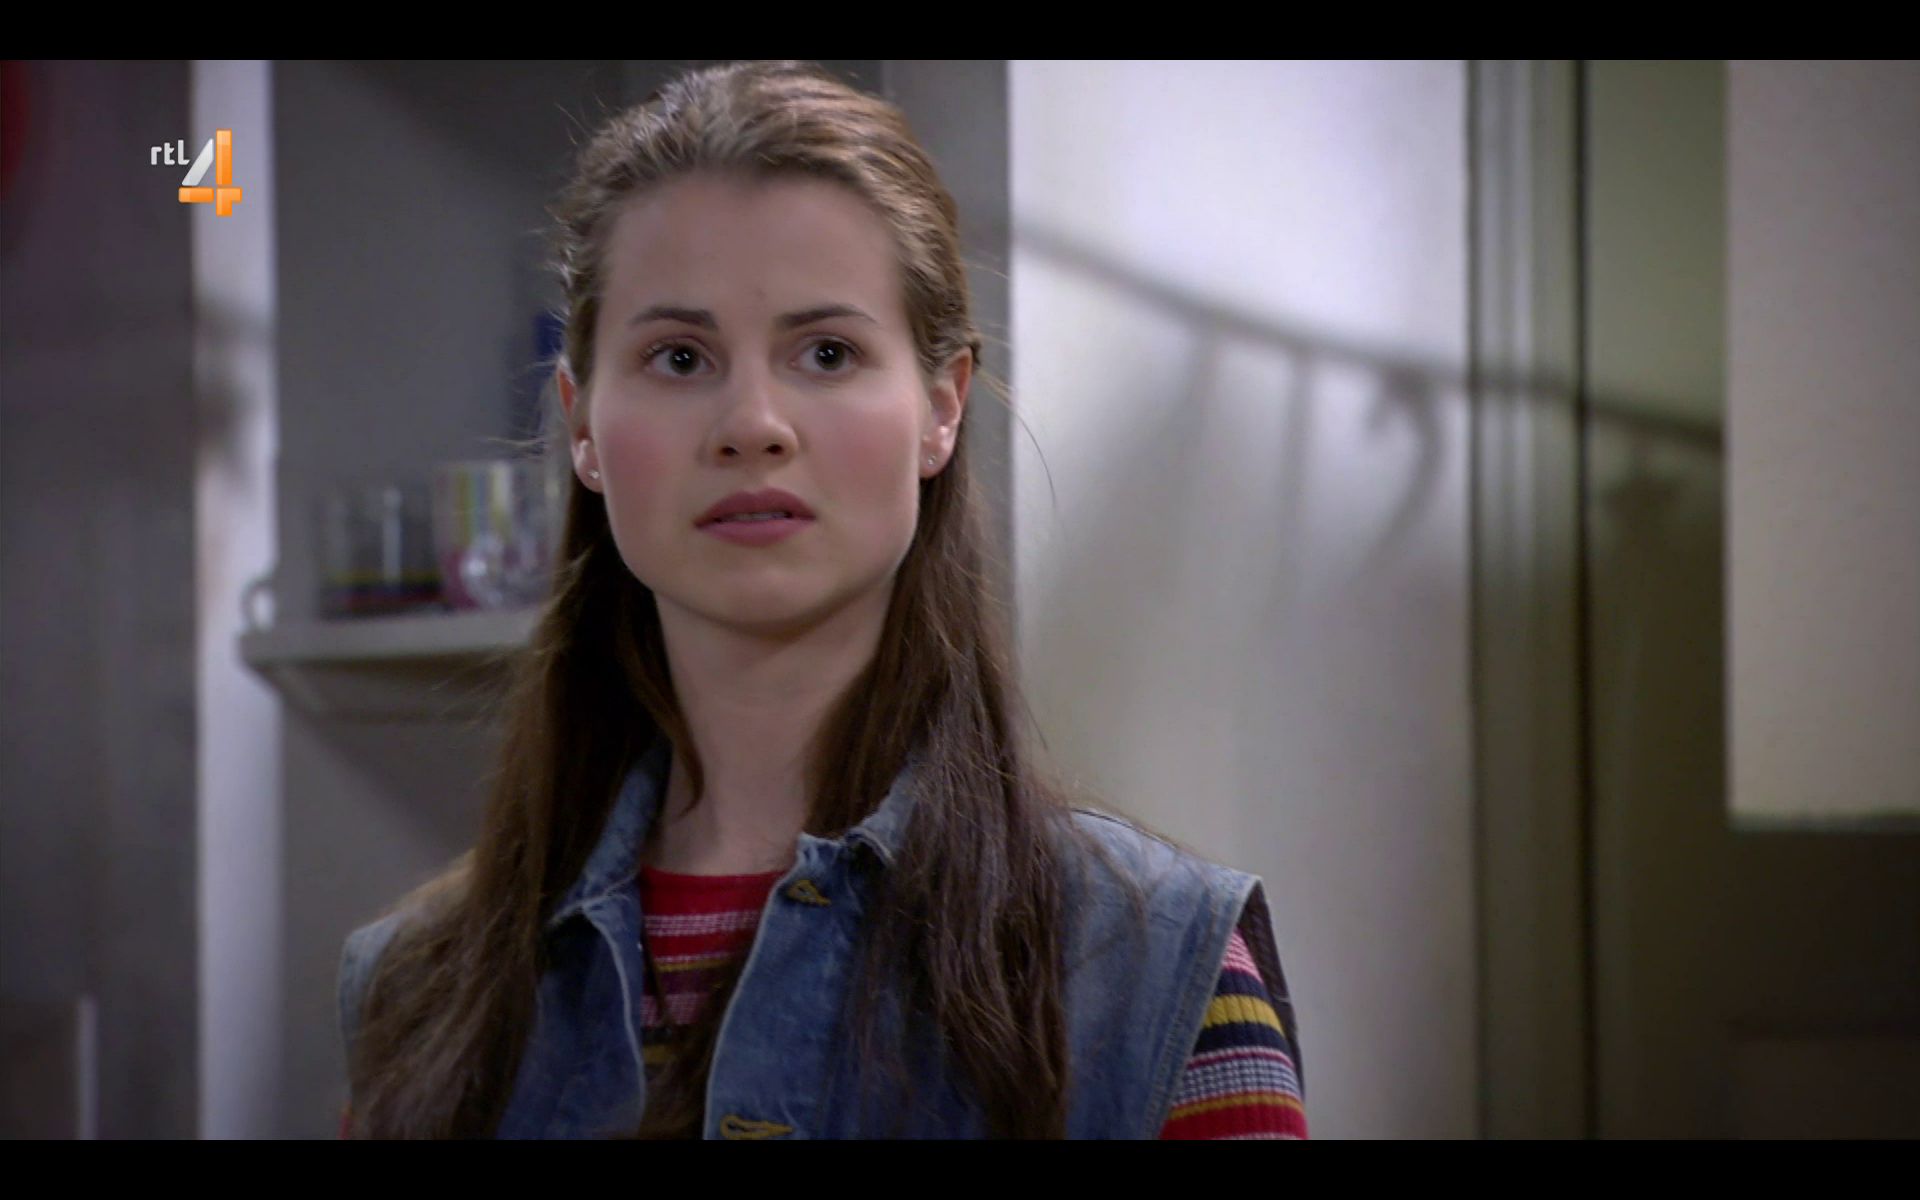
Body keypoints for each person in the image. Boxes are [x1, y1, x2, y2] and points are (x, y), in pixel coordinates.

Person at [337, 59, 1307, 1140]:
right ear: (581, 426)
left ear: (941, 408)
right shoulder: (417, 994)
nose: (753, 424)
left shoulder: (1151, 964)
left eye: (828, 352)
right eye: (679, 357)